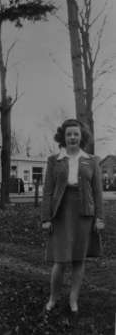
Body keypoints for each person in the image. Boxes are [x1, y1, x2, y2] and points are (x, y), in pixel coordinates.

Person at [41, 118, 105, 314]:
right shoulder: (54, 161)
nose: (72, 137)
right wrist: (46, 218)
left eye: (76, 134)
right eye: (68, 134)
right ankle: (53, 298)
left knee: (79, 260)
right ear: (63, 137)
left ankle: (73, 300)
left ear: (81, 136)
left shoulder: (92, 160)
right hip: (60, 213)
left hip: (84, 213)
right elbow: (47, 191)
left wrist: (99, 218)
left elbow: (98, 192)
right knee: (60, 261)